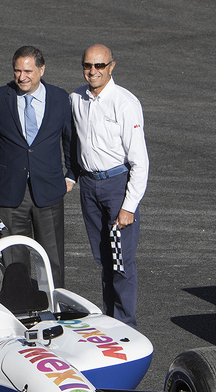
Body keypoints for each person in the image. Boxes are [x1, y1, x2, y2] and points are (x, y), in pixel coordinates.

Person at [70, 44, 149, 328]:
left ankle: (126, 326)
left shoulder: (125, 103)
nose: (93, 71)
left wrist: (129, 206)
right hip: (89, 188)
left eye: (99, 66)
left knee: (122, 262)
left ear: (111, 67)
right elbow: (72, 143)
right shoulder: (76, 98)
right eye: (88, 65)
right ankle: (109, 321)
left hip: (117, 186)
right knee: (103, 258)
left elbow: (140, 162)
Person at [0, 46, 74, 287]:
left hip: (49, 190)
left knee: (52, 259)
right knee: (14, 259)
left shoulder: (59, 98)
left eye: (28, 71)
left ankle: (54, 306)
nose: (22, 77)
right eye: (17, 70)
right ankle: (18, 309)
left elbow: (70, 140)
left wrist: (71, 175)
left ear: (41, 69)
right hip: (10, 193)